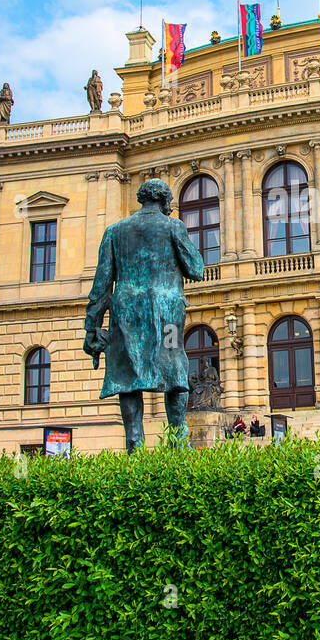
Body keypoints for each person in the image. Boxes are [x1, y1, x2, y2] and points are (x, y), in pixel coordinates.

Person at [83, 178, 205, 452]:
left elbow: (101, 286)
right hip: (168, 315)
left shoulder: (114, 232)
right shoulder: (173, 226)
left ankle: (134, 445)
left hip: (126, 314)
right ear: (164, 201)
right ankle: (177, 443)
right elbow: (196, 269)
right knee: (175, 369)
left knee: (127, 376)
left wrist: (92, 327)